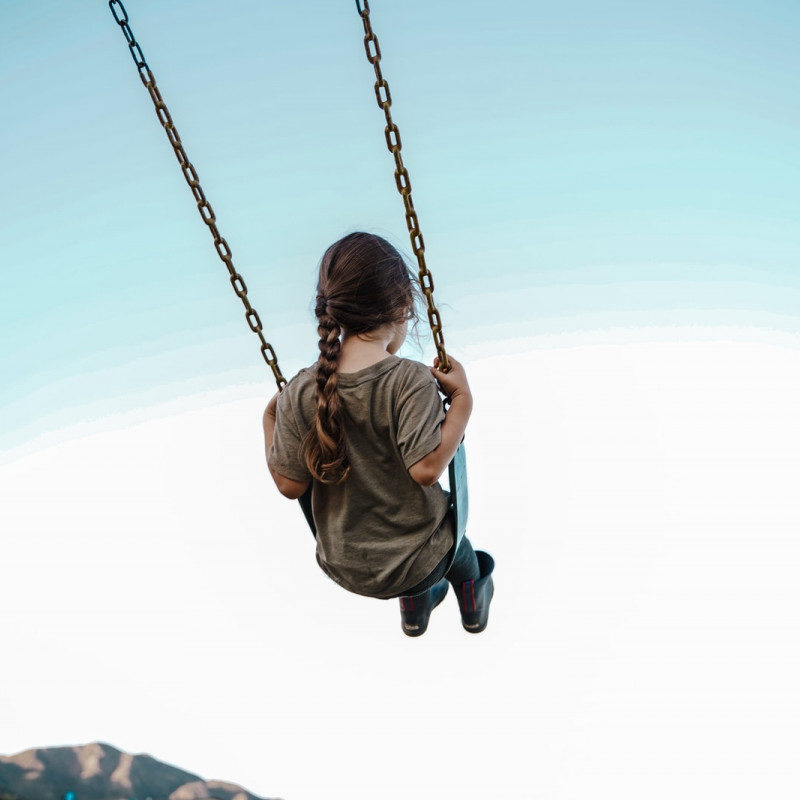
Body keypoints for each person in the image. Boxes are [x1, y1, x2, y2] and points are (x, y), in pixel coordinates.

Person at [262, 232, 494, 636]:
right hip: (420, 561)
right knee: (459, 552)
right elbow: (426, 470)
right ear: (403, 307)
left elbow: (288, 484)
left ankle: (415, 609)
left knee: (417, 559)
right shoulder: (409, 380)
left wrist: (272, 420)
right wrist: (462, 400)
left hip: (345, 565)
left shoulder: (300, 390)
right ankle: (472, 596)